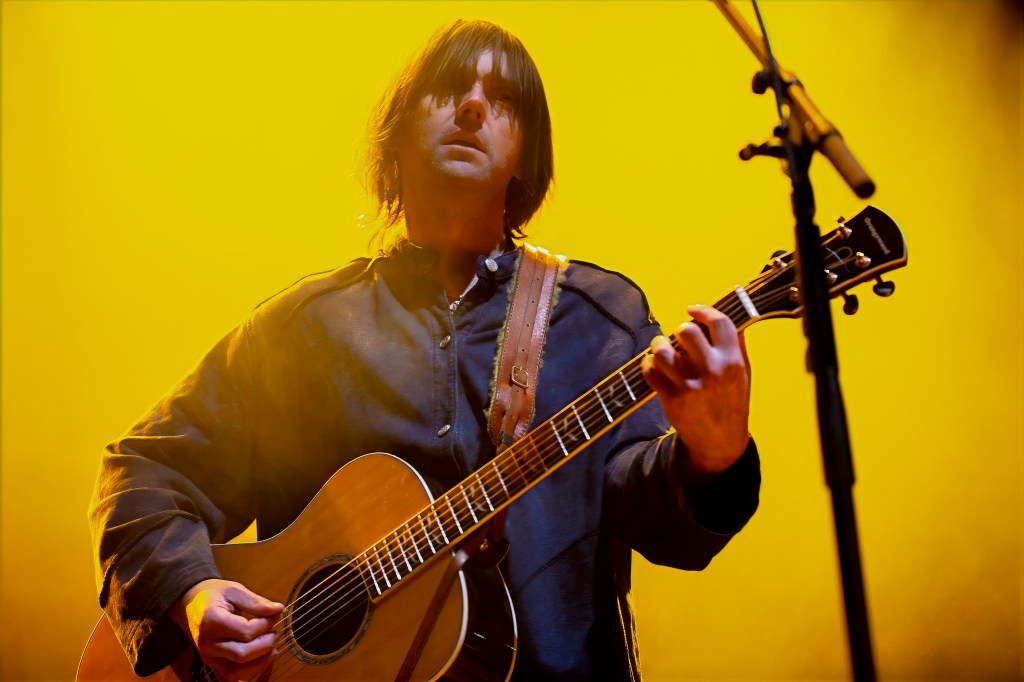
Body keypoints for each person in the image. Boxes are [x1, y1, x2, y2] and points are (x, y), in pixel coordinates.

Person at [89, 19, 760, 682]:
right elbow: (144, 472)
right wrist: (192, 593)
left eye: (503, 100)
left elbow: (668, 530)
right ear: (398, 131)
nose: (473, 106)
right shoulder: (303, 330)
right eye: (449, 86)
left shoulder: (599, 319)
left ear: (525, 155)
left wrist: (715, 453)